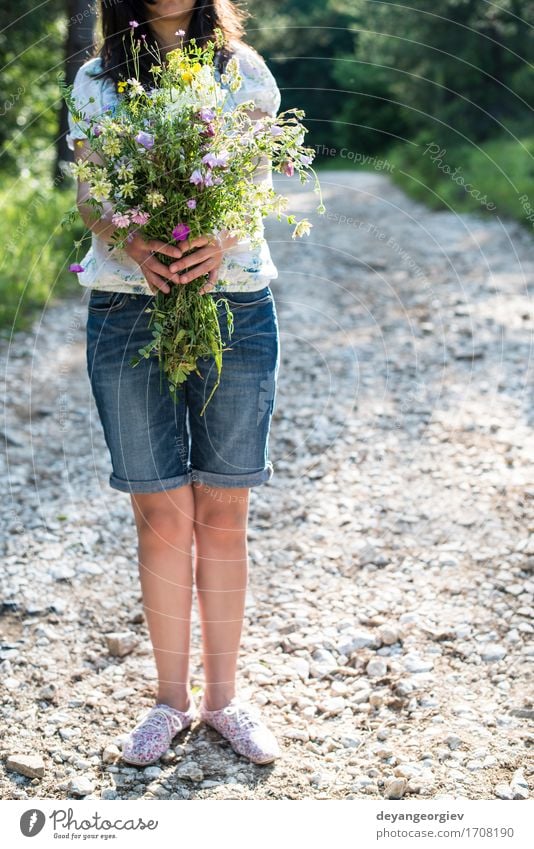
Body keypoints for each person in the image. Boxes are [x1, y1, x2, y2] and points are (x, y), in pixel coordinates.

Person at [66, 0, 282, 766]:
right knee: (159, 510)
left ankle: (225, 700)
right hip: (128, 311)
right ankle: (168, 701)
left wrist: (219, 235)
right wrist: (133, 237)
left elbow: (256, 185)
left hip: (238, 307)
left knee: (224, 506)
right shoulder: (97, 81)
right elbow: (91, 195)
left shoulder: (245, 73)